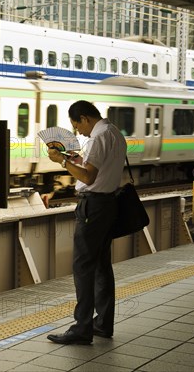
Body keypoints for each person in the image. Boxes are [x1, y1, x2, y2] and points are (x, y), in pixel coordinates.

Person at [46, 100, 127, 345]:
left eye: (76, 125)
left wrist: (62, 161)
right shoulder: (114, 132)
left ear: (84, 118)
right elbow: (97, 168)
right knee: (101, 265)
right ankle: (102, 323)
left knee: (82, 267)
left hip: (92, 206)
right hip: (108, 204)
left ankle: (81, 328)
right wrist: (76, 158)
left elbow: (88, 177)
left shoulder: (97, 137)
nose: (78, 132)